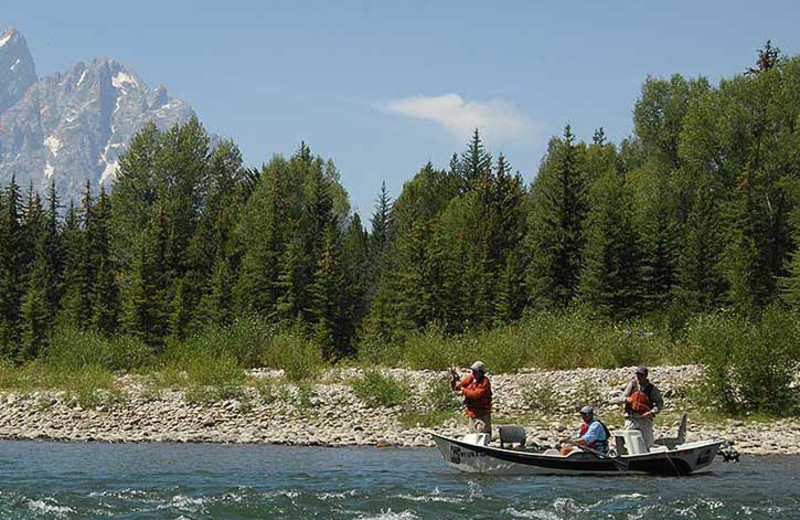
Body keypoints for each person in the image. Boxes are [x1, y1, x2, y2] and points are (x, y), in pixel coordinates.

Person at [623, 366, 664, 449]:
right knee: (628, 441)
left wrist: (652, 412)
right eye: (637, 374)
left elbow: (660, 403)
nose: (638, 377)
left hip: (645, 419)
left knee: (647, 443)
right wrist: (626, 399)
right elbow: (623, 396)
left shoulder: (652, 389)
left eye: (641, 375)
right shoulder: (632, 385)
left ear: (645, 376)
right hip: (631, 418)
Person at [450, 361, 492, 435]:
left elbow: (475, 394)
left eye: (475, 372)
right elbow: (457, 387)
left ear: (481, 372)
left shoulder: (485, 382)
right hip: (473, 413)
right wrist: (453, 380)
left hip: (483, 414)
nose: (473, 373)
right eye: (473, 371)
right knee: (472, 434)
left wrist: (463, 390)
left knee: (483, 434)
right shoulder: (471, 378)